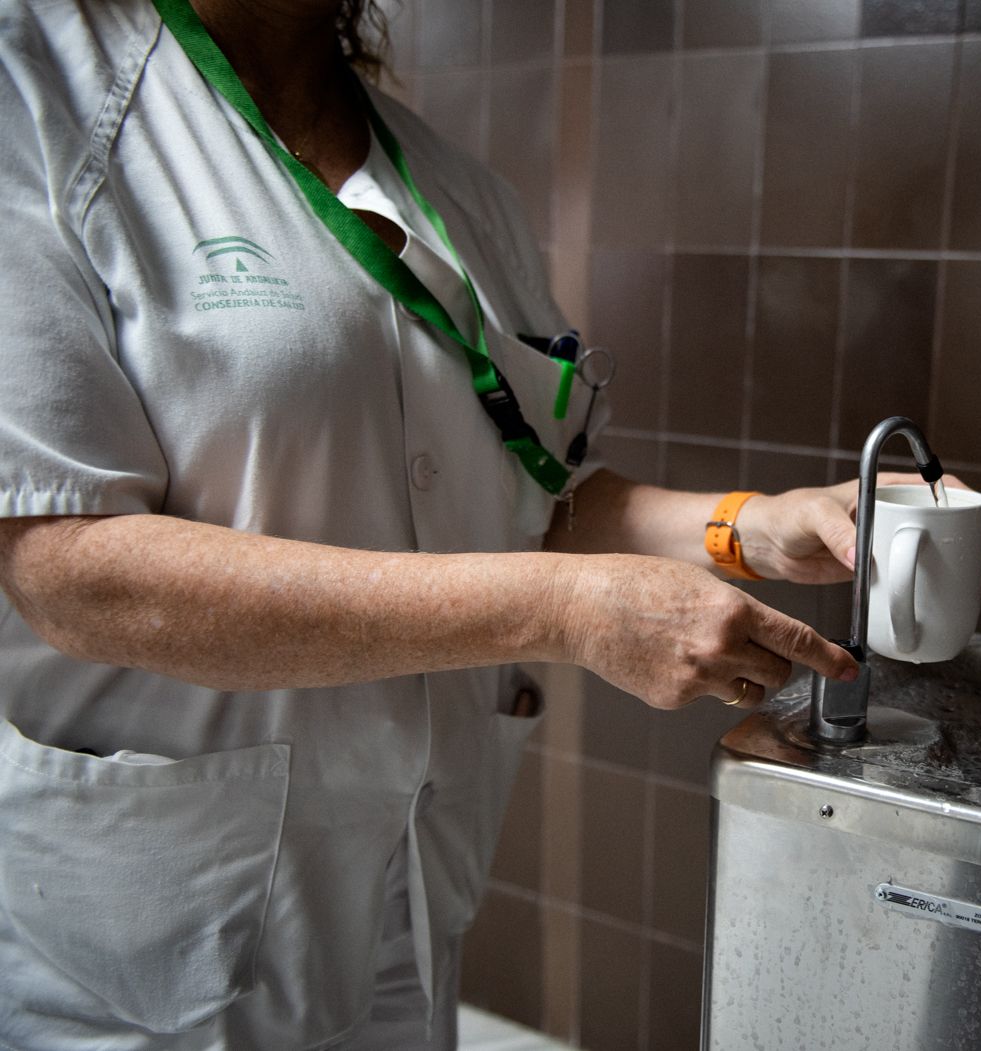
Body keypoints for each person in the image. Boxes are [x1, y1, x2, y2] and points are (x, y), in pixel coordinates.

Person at [0, 1, 926, 1046]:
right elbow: (70, 569)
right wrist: (566, 613)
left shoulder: (451, 189)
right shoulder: (33, 92)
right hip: (151, 943)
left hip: (410, 898)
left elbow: (535, 500)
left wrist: (748, 527)